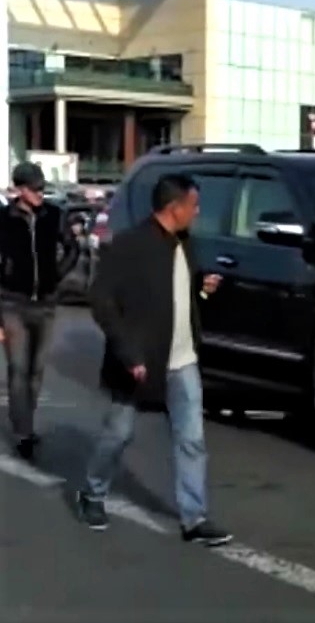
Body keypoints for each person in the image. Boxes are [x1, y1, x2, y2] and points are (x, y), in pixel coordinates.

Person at [74, 173, 232, 546]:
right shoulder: (130, 245)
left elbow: (174, 295)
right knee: (118, 433)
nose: (197, 212)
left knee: (192, 440)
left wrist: (202, 291)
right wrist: (129, 352)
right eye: (193, 205)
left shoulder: (185, 243)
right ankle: (92, 493)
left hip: (183, 359)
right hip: (139, 361)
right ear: (174, 208)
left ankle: (194, 518)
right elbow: (101, 302)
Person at [0, 162, 80, 460]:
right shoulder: (4, 219)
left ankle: (27, 421)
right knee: (18, 369)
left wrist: (56, 276)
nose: (40, 194)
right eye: (34, 189)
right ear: (19, 190)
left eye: (42, 189)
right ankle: (23, 432)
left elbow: (72, 248)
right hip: (12, 303)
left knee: (36, 370)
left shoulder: (53, 216)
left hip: (45, 304)